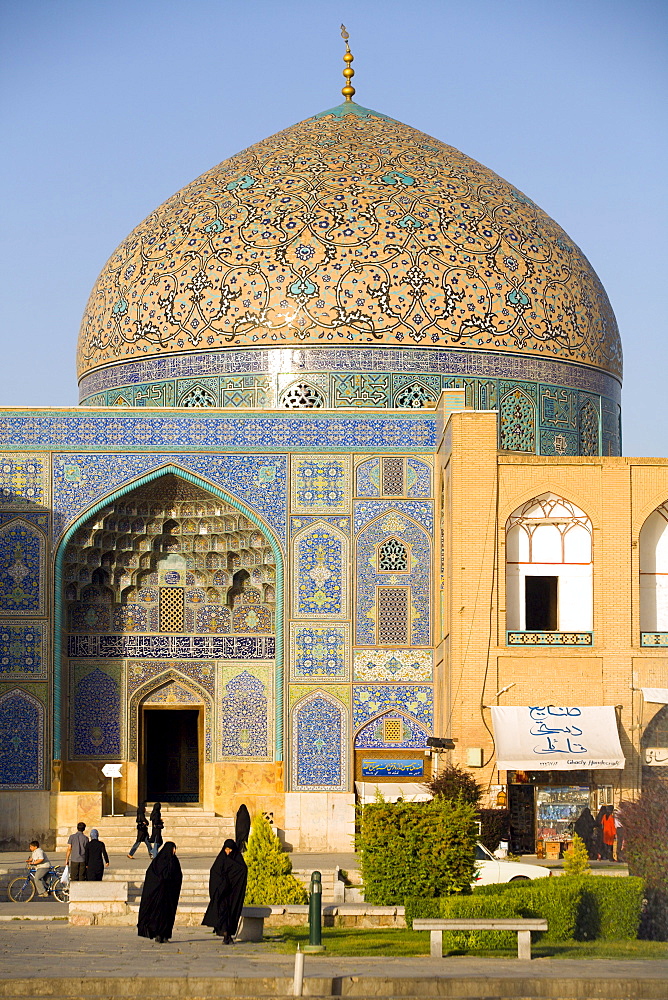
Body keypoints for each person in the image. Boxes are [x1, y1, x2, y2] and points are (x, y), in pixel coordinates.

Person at [202, 838, 248, 943]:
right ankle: (225, 934)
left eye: (230, 850)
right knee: (223, 913)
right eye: (226, 849)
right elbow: (214, 872)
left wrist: (231, 881)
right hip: (222, 893)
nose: (228, 852)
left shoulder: (238, 861)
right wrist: (221, 884)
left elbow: (242, 871)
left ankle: (227, 935)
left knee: (231, 913)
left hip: (233, 894)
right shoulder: (221, 859)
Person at [137, 841, 182, 943]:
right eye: (173, 849)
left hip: (169, 895)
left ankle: (165, 935)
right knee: (158, 915)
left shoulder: (174, 861)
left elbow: (178, 876)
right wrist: (161, 881)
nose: (174, 851)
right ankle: (158, 934)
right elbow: (151, 876)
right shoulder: (159, 862)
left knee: (168, 915)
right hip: (159, 895)